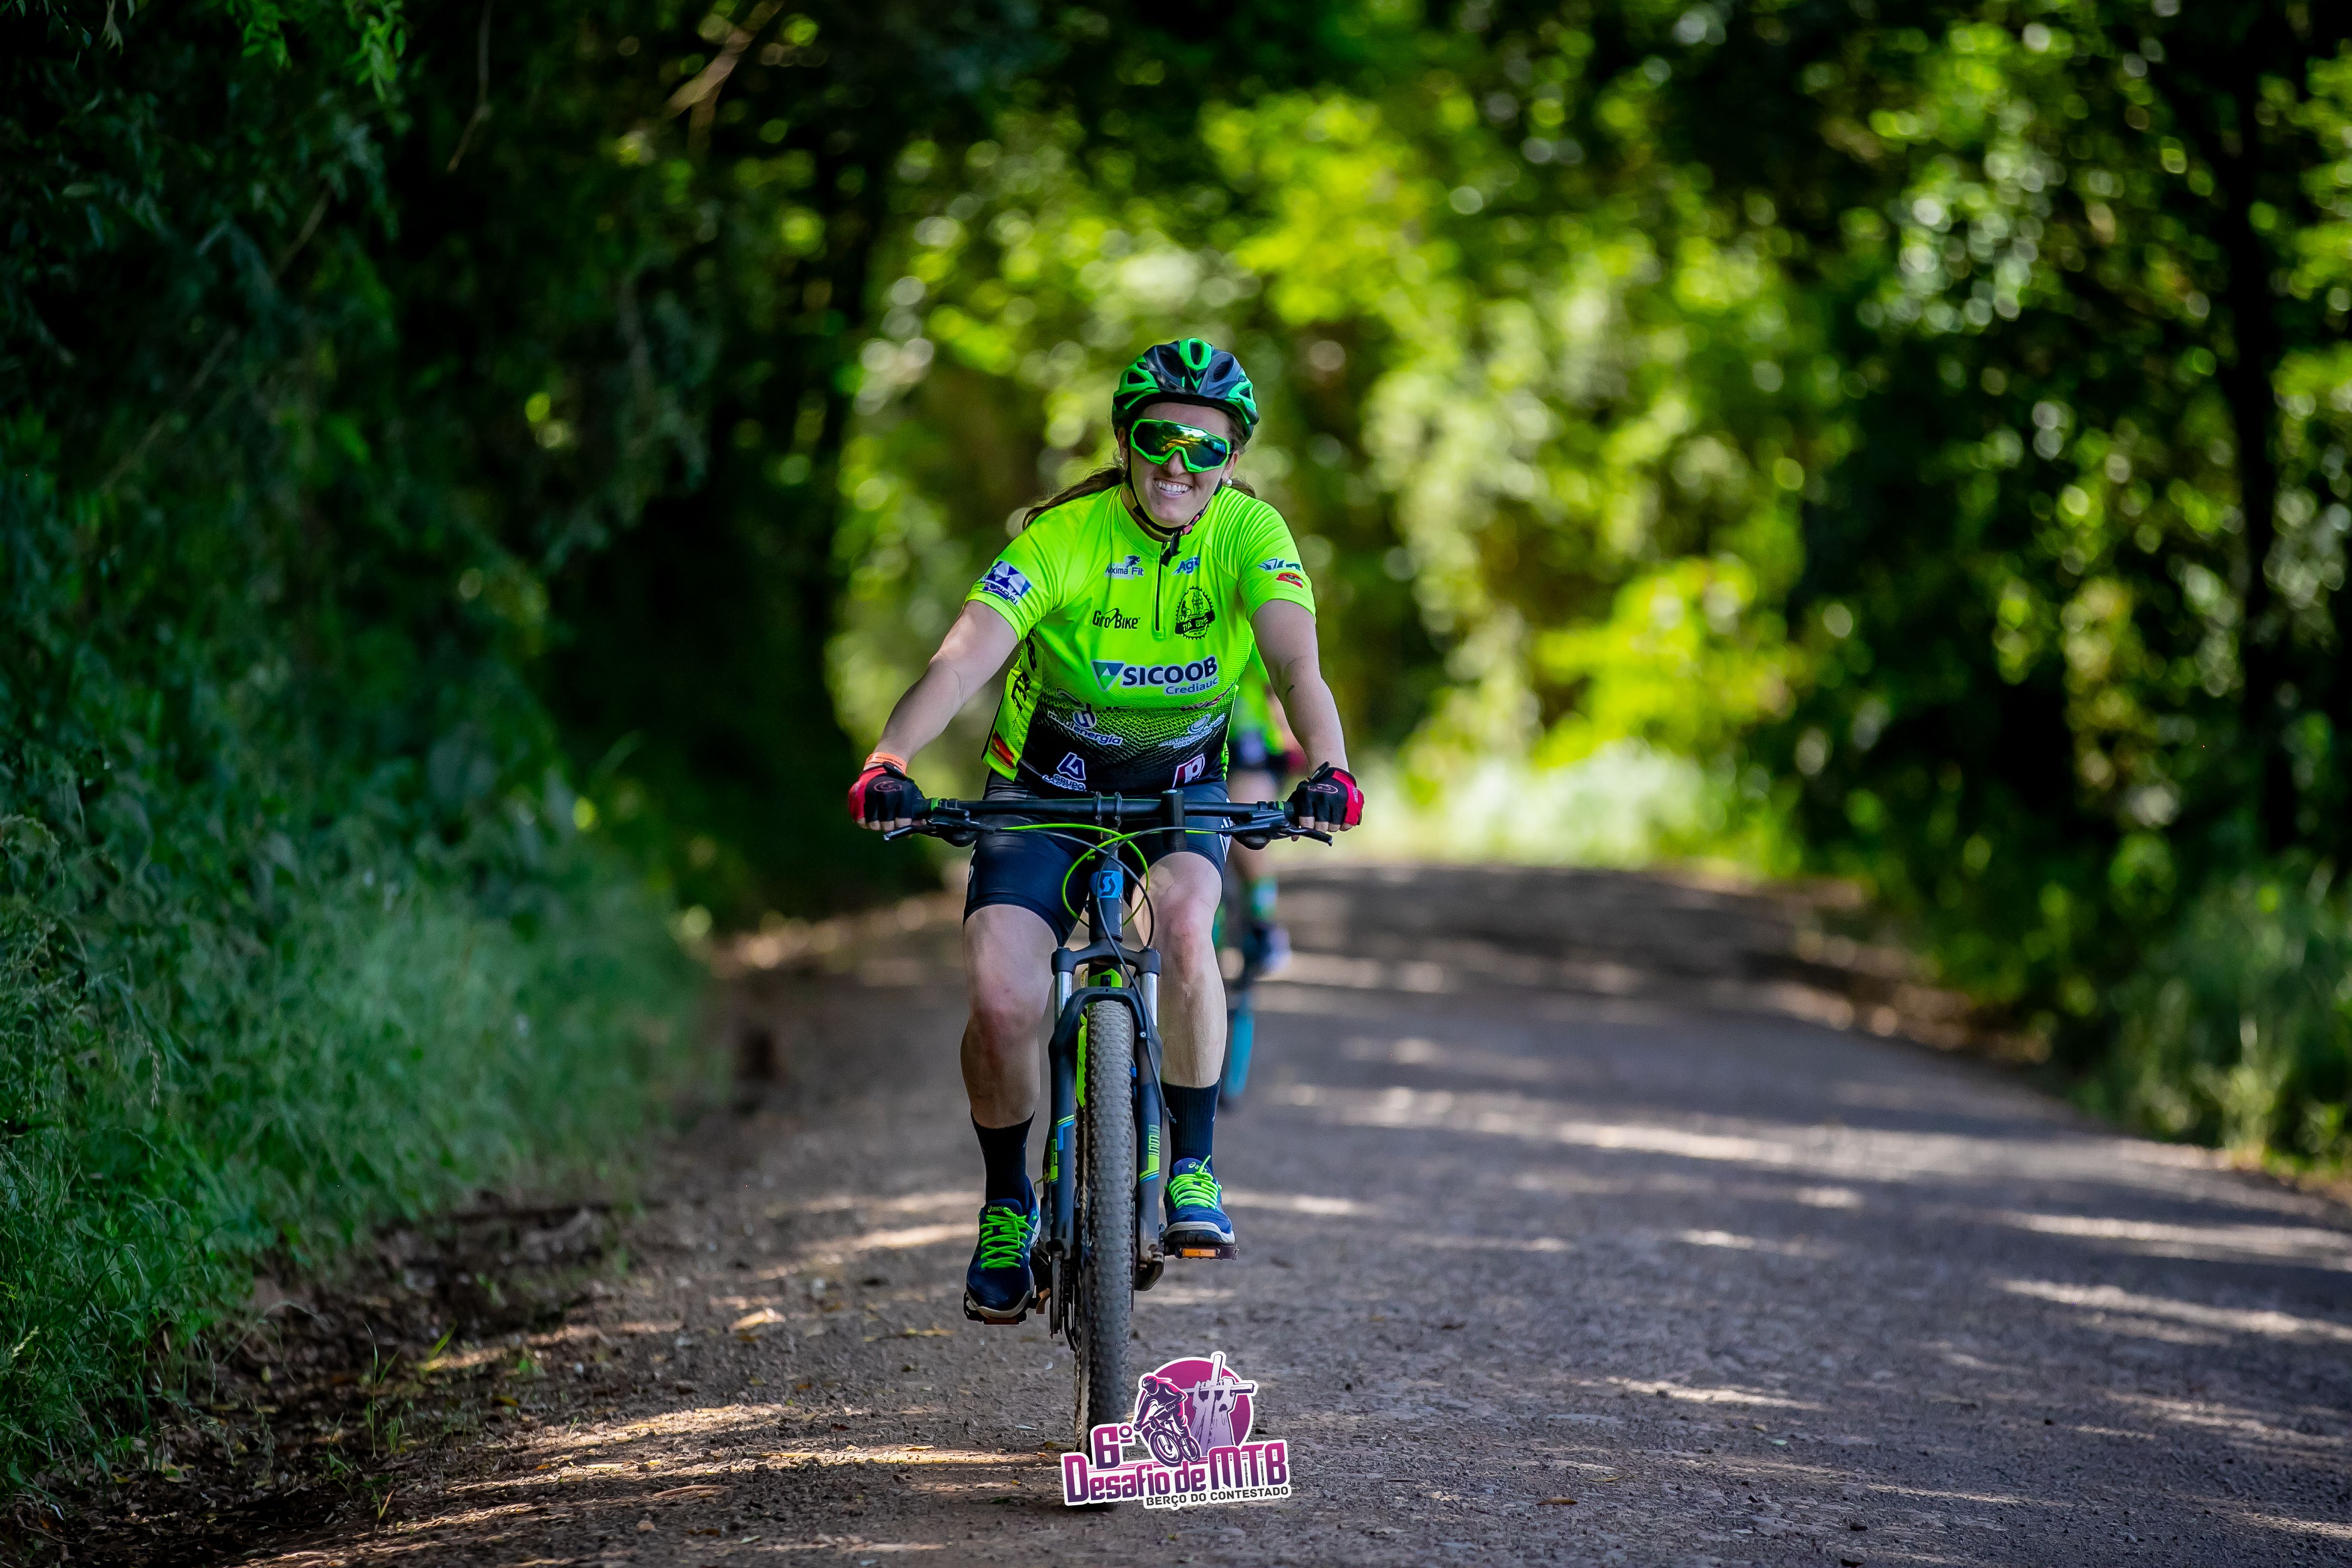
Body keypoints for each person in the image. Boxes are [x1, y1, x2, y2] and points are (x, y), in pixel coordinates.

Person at [845, 338, 1362, 1325]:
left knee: (1188, 929)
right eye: (1160, 439)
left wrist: (1330, 768)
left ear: (1232, 461)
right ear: (1125, 443)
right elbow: (962, 662)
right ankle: (1008, 1205)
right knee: (1003, 999)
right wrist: (891, 757)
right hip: (1039, 793)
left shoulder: (1251, 533)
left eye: (1205, 449)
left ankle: (1194, 1167)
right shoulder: (1064, 537)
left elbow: (1297, 666)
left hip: (1179, 793)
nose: (1179, 464)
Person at [1223, 650, 1298, 977]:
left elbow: (1279, 685)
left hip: (1249, 745)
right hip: (1194, 740)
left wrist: (1290, 739)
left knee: (1247, 840)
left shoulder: (1248, 629)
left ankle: (1263, 925)